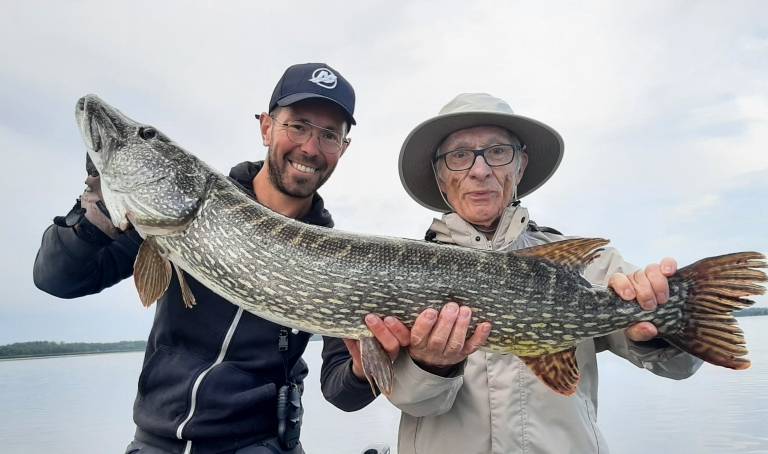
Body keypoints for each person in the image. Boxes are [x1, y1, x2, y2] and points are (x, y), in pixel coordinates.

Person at [320, 93, 703, 453]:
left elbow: (680, 365)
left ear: (520, 164)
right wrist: (432, 365)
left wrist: (659, 326)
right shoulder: (398, 273)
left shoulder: (591, 264)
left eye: (498, 152)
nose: (480, 170)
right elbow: (414, 403)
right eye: (460, 155)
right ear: (440, 176)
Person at [33, 63, 358, 454]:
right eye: (298, 125)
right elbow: (58, 279)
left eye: (329, 135)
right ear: (267, 127)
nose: (310, 147)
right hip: (156, 442)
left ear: (343, 149)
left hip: (262, 445)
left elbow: (344, 393)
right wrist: (94, 210)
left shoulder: (343, 261)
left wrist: (386, 364)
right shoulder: (173, 210)